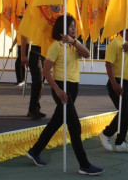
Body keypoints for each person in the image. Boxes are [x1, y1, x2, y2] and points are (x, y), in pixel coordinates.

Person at [26, 15, 104, 176]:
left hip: (73, 87)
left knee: (55, 123)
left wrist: (73, 41)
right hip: (62, 87)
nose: (74, 28)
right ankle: (84, 164)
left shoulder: (74, 45)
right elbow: (46, 71)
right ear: (62, 29)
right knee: (75, 126)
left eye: (75, 25)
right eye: (70, 26)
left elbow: (87, 54)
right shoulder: (56, 46)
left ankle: (35, 151)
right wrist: (57, 90)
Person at [98, 19, 128, 152]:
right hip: (118, 82)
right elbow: (109, 64)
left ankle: (120, 142)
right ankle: (106, 134)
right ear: (125, 30)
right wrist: (114, 83)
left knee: (127, 114)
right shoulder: (115, 43)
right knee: (124, 111)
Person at [21, 35, 45, 119]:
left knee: (41, 81)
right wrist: (23, 55)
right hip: (32, 49)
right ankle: (32, 109)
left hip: (43, 48)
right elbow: (23, 36)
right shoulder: (29, 21)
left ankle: (35, 107)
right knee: (38, 81)